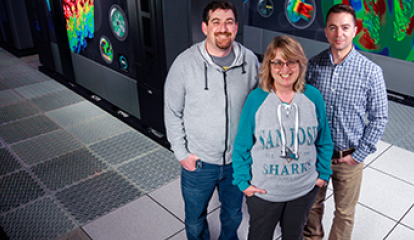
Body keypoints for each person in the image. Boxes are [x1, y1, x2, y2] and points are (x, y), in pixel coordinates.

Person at [163, 1, 259, 239]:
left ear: (236, 27)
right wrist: (182, 154)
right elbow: (172, 111)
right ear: (205, 27)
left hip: (237, 161)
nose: (223, 28)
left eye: (228, 22)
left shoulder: (250, 61)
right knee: (195, 220)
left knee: (233, 215)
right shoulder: (184, 64)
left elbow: (259, 108)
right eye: (216, 22)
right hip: (199, 163)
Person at [232, 35, 333, 240]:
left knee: (294, 237)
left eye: (291, 61)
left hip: (303, 192)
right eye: (277, 62)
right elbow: (241, 145)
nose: (284, 69)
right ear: (269, 66)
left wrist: (323, 174)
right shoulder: (256, 99)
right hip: (264, 193)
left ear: (300, 64)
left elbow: (324, 140)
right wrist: (243, 183)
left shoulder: (313, 96)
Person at [303, 4, 389, 240]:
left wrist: (359, 155)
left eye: (345, 27)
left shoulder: (371, 72)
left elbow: (379, 117)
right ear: (326, 31)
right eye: (333, 27)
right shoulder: (313, 65)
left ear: (355, 30)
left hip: (348, 158)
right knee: (311, 206)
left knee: (344, 213)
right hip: (316, 155)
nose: (338, 33)